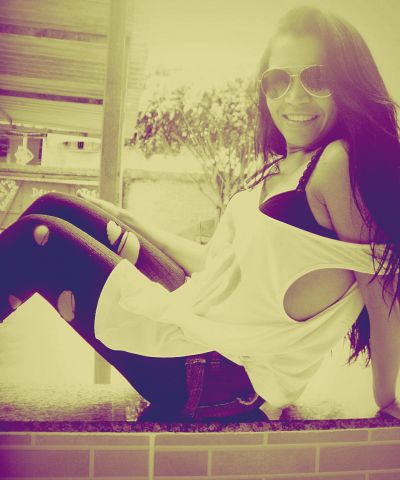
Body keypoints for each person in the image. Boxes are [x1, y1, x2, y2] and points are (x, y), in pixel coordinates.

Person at [1, 5, 399, 421]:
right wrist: (127, 219)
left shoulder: (339, 163)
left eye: (317, 78)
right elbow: (215, 263)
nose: (294, 97)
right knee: (54, 206)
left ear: (348, 82)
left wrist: (385, 397)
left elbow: (381, 287)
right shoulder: (285, 167)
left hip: (219, 375)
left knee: (37, 241)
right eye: (278, 80)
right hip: (200, 325)